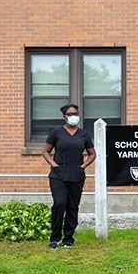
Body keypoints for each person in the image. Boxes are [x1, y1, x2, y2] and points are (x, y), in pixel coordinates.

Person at [42, 104, 96, 250]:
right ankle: (55, 238)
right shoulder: (56, 132)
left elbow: (92, 154)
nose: (74, 116)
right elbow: (46, 151)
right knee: (59, 204)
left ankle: (68, 238)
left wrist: (83, 166)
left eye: (76, 113)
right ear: (64, 116)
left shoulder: (83, 134)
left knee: (72, 206)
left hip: (76, 175)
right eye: (71, 114)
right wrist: (54, 165)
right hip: (58, 176)